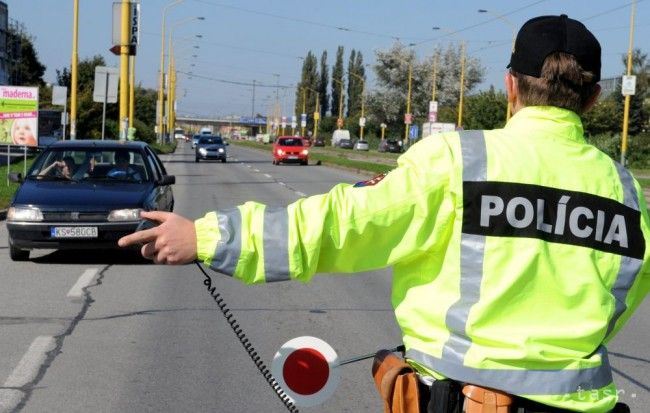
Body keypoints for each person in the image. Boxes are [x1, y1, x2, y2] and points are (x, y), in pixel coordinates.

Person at [119, 15, 648, 413]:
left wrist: (211, 238)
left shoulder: (460, 162)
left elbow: (340, 225)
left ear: (511, 85)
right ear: (596, 97)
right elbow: (616, 302)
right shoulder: (627, 194)